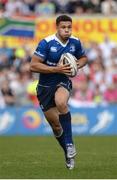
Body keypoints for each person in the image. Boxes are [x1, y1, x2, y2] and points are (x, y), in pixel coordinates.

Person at [30, 14, 88, 170]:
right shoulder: (46, 43)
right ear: (57, 27)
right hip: (44, 88)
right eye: (63, 27)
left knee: (61, 102)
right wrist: (55, 68)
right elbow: (33, 66)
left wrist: (77, 64)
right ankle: (67, 154)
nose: (67, 30)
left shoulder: (75, 42)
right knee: (56, 126)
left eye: (69, 27)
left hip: (62, 81)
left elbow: (83, 57)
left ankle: (70, 144)